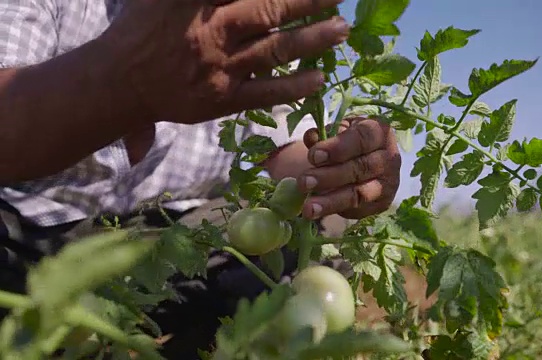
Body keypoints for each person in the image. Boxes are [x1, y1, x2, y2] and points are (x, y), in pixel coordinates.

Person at [0, 0, 402, 358]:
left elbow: (278, 153)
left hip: (168, 244)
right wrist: (123, 81)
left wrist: (346, 164)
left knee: (321, 220)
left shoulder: (260, 28)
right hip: (24, 235)